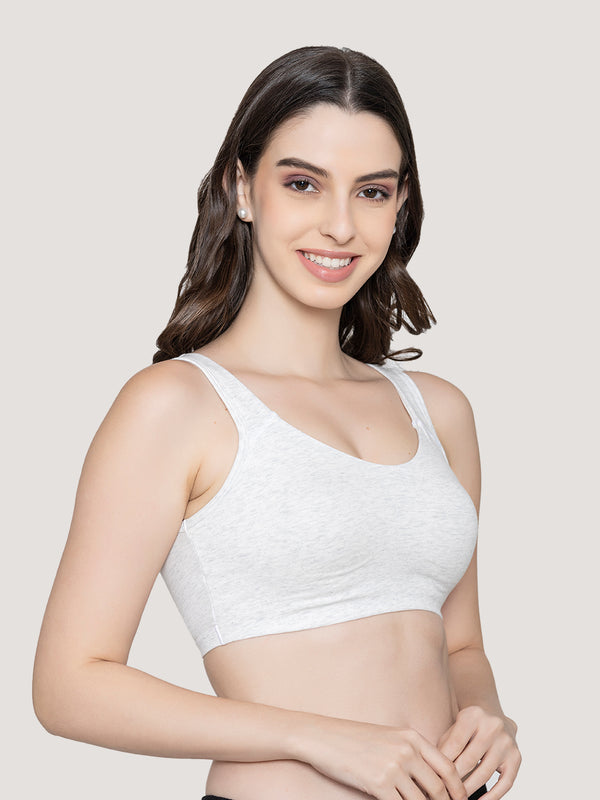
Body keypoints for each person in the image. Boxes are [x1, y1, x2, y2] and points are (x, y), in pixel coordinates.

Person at [33, 46, 521, 800]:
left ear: (399, 206)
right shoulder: (176, 405)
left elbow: (460, 647)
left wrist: (488, 716)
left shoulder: (440, 411)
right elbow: (69, 685)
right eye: (303, 183)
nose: (340, 225)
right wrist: (316, 736)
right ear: (243, 188)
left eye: (371, 192)